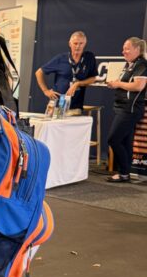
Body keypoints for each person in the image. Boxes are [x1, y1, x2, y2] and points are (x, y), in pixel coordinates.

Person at [105, 36, 147, 182]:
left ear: (137, 49)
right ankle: (124, 173)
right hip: (122, 107)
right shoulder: (130, 64)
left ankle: (123, 171)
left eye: (127, 48)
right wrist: (115, 83)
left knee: (113, 139)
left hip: (130, 109)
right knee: (125, 141)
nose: (123, 51)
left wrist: (118, 84)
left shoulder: (142, 64)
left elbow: (138, 86)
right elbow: (127, 84)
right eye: (123, 48)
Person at [35, 31, 98, 114]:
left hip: (75, 107)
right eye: (75, 43)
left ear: (85, 43)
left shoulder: (89, 58)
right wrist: (46, 91)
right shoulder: (61, 58)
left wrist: (77, 84)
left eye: (81, 43)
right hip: (57, 105)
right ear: (70, 44)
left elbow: (93, 79)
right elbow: (39, 72)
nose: (78, 46)